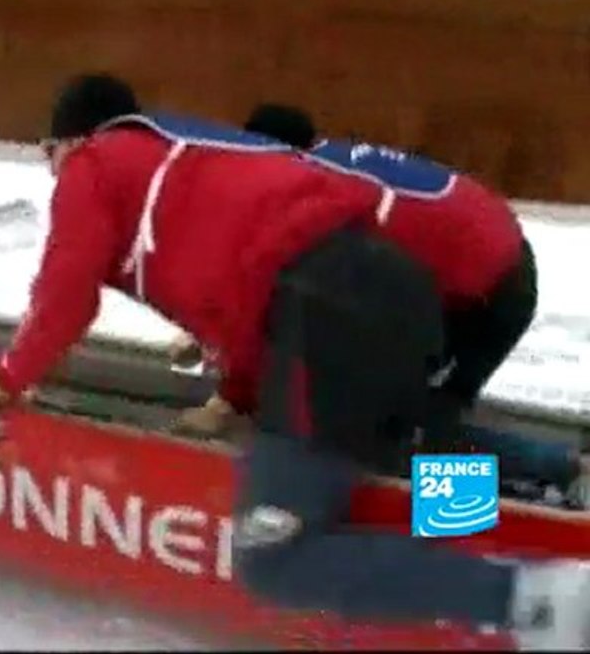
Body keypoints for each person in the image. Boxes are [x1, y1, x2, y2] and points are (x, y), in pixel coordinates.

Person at [0, 73, 590, 648]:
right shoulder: (184, 168)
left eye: (47, 153)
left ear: (71, 140)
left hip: (370, 300)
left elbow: (64, 297)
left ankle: (531, 597)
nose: (49, 170)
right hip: (376, 293)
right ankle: (547, 484)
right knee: (393, 452)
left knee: (273, 558)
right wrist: (237, 398)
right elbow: (248, 308)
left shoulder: (95, 164)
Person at [240, 103, 587, 503]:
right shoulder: (335, 159)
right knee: (381, 414)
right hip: (489, 268)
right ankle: (522, 485)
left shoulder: (316, 189)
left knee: (404, 425)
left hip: (486, 291)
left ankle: (533, 484)